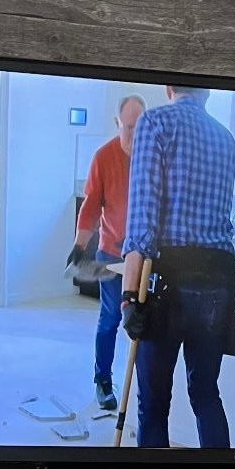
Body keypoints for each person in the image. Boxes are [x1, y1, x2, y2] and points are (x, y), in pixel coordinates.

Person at [120, 85, 235, 449]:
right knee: (206, 395)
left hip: (168, 281)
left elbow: (142, 228)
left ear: (168, 88)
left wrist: (128, 297)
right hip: (219, 281)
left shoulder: (154, 123)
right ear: (208, 92)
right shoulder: (226, 138)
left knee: (154, 406)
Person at [67, 94, 144, 409]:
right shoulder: (103, 157)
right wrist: (79, 245)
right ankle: (103, 380)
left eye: (140, 127)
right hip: (111, 254)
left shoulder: (152, 157)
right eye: (128, 127)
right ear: (117, 123)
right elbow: (90, 206)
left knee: (143, 322)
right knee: (112, 317)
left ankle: (144, 389)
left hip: (146, 258)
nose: (134, 135)